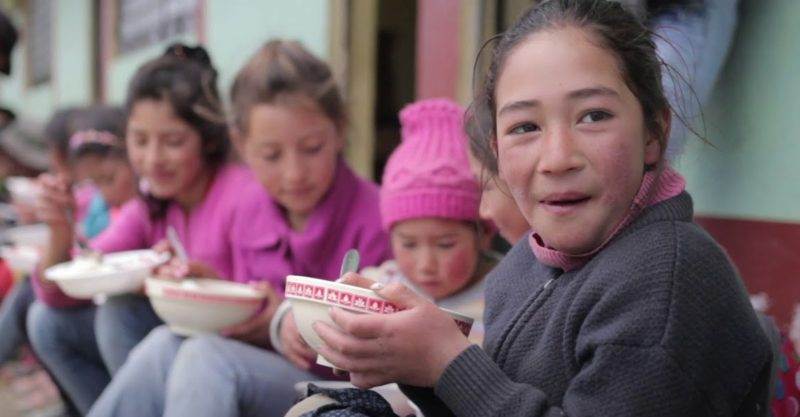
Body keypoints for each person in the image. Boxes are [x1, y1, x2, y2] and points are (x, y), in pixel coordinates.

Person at [313, 1, 771, 416]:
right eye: (525, 127)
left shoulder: (668, 280)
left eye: (594, 116)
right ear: (496, 151)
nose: (557, 158)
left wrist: (447, 362)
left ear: (654, 134)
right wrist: (420, 367)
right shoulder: (522, 266)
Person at [87, 39, 390, 417]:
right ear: (241, 145)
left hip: (343, 394)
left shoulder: (378, 216)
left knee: (205, 357)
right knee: (164, 343)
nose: (294, 173)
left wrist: (284, 321)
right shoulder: (250, 207)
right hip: (271, 371)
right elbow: (257, 314)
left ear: (340, 131)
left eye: (312, 148)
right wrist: (219, 291)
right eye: (271, 155)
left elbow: (383, 353)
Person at [27, 43, 253, 415]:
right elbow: (72, 286)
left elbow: (260, 303)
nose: (152, 159)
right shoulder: (151, 202)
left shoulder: (240, 194)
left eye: (173, 142)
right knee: (46, 321)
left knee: (120, 312)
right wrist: (59, 232)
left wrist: (201, 284)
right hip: (170, 350)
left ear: (209, 138)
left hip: (225, 361)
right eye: (140, 140)